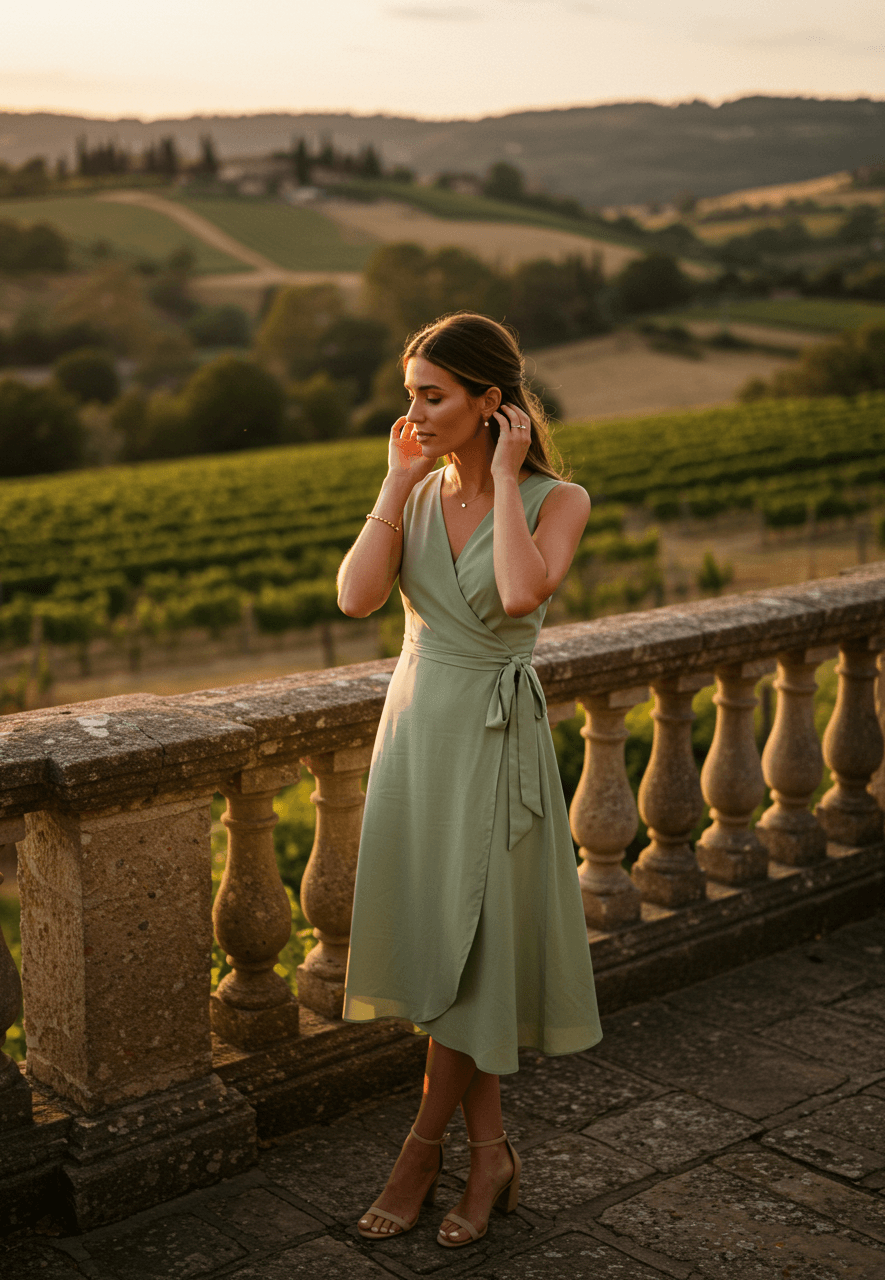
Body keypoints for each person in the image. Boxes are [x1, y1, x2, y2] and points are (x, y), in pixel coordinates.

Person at [337, 312, 602, 1249]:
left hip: (494, 744)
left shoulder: (555, 498)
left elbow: (525, 592)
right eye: (411, 392)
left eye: (433, 395)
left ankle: (420, 1153)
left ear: (493, 403)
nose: (413, 411)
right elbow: (356, 596)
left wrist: (498, 480)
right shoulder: (409, 494)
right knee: (453, 954)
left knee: (471, 950)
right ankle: (487, 1152)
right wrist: (392, 482)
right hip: (416, 736)